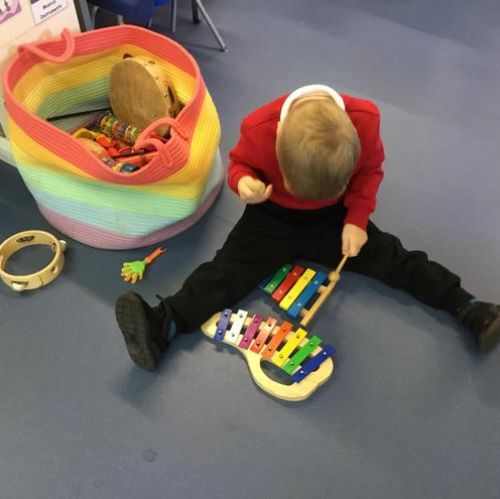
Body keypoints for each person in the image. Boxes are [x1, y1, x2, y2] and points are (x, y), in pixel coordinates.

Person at [115, 84, 500, 371]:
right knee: (225, 270)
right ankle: (164, 324)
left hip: (335, 216)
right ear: (278, 142)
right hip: (272, 215)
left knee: (394, 258)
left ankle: (467, 306)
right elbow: (238, 166)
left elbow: (369, 172)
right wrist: (243, 184)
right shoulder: (260, 126)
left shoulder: (364, 122)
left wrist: (356, 219)